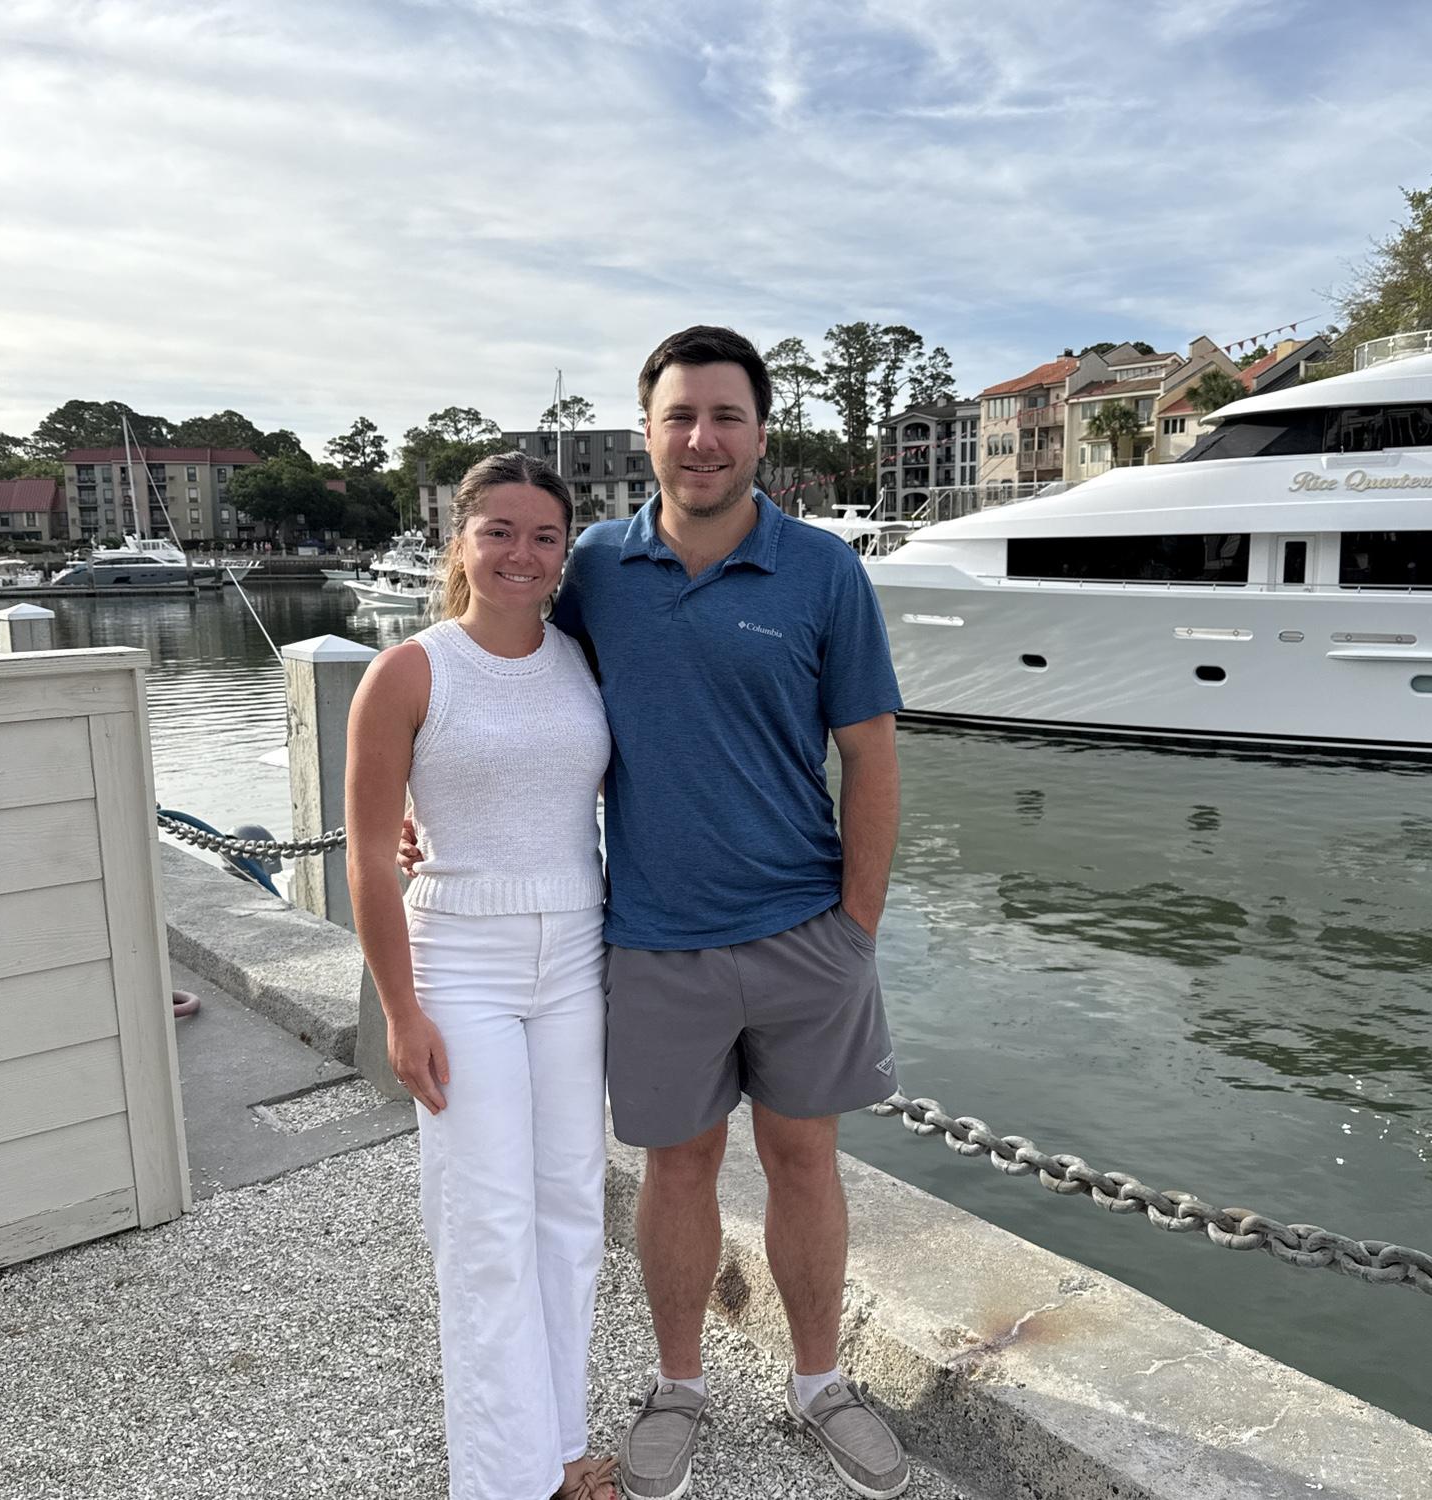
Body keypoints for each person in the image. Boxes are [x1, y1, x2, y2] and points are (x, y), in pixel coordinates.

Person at [403, 326, 908, 1500]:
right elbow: (494, 667)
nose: (702, 439)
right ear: (648, 433)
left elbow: (873, 758)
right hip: (652, 939)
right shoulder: (592, 571)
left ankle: (819, 1382)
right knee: (677, 1170)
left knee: (804, 1160)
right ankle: (679, 1386)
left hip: (804, 931)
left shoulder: (824, 571)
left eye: (726, 416)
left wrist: (856, 928)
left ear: (760, 434)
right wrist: (411, 808)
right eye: (681, 416)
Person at [347, 452, 618, 1500]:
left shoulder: (582, 658)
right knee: (486, 1228)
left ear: (564, 552)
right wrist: (400, 1009)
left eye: (544, 536)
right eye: (498, 530)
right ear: (459, 540)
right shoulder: (410, 672)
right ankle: (503, 1481)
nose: (521, 553)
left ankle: (560, 1447)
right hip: (459, 964)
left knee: (570, 1210)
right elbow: (370, 857)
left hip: (577, 957)